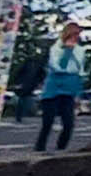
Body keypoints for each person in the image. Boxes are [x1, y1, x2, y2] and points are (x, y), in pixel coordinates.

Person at [33, 19, 88, 151]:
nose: (75, 39)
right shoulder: (56, 49)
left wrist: (78, 94)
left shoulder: (80, 51)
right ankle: (39, 148)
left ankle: (61, 148)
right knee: (48, 122)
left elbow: (80, 71)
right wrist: (68, 51)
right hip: (53, 89)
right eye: (73, 35)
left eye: (77, 36)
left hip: (69, 90)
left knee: (69, 124)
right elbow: (58, 67)